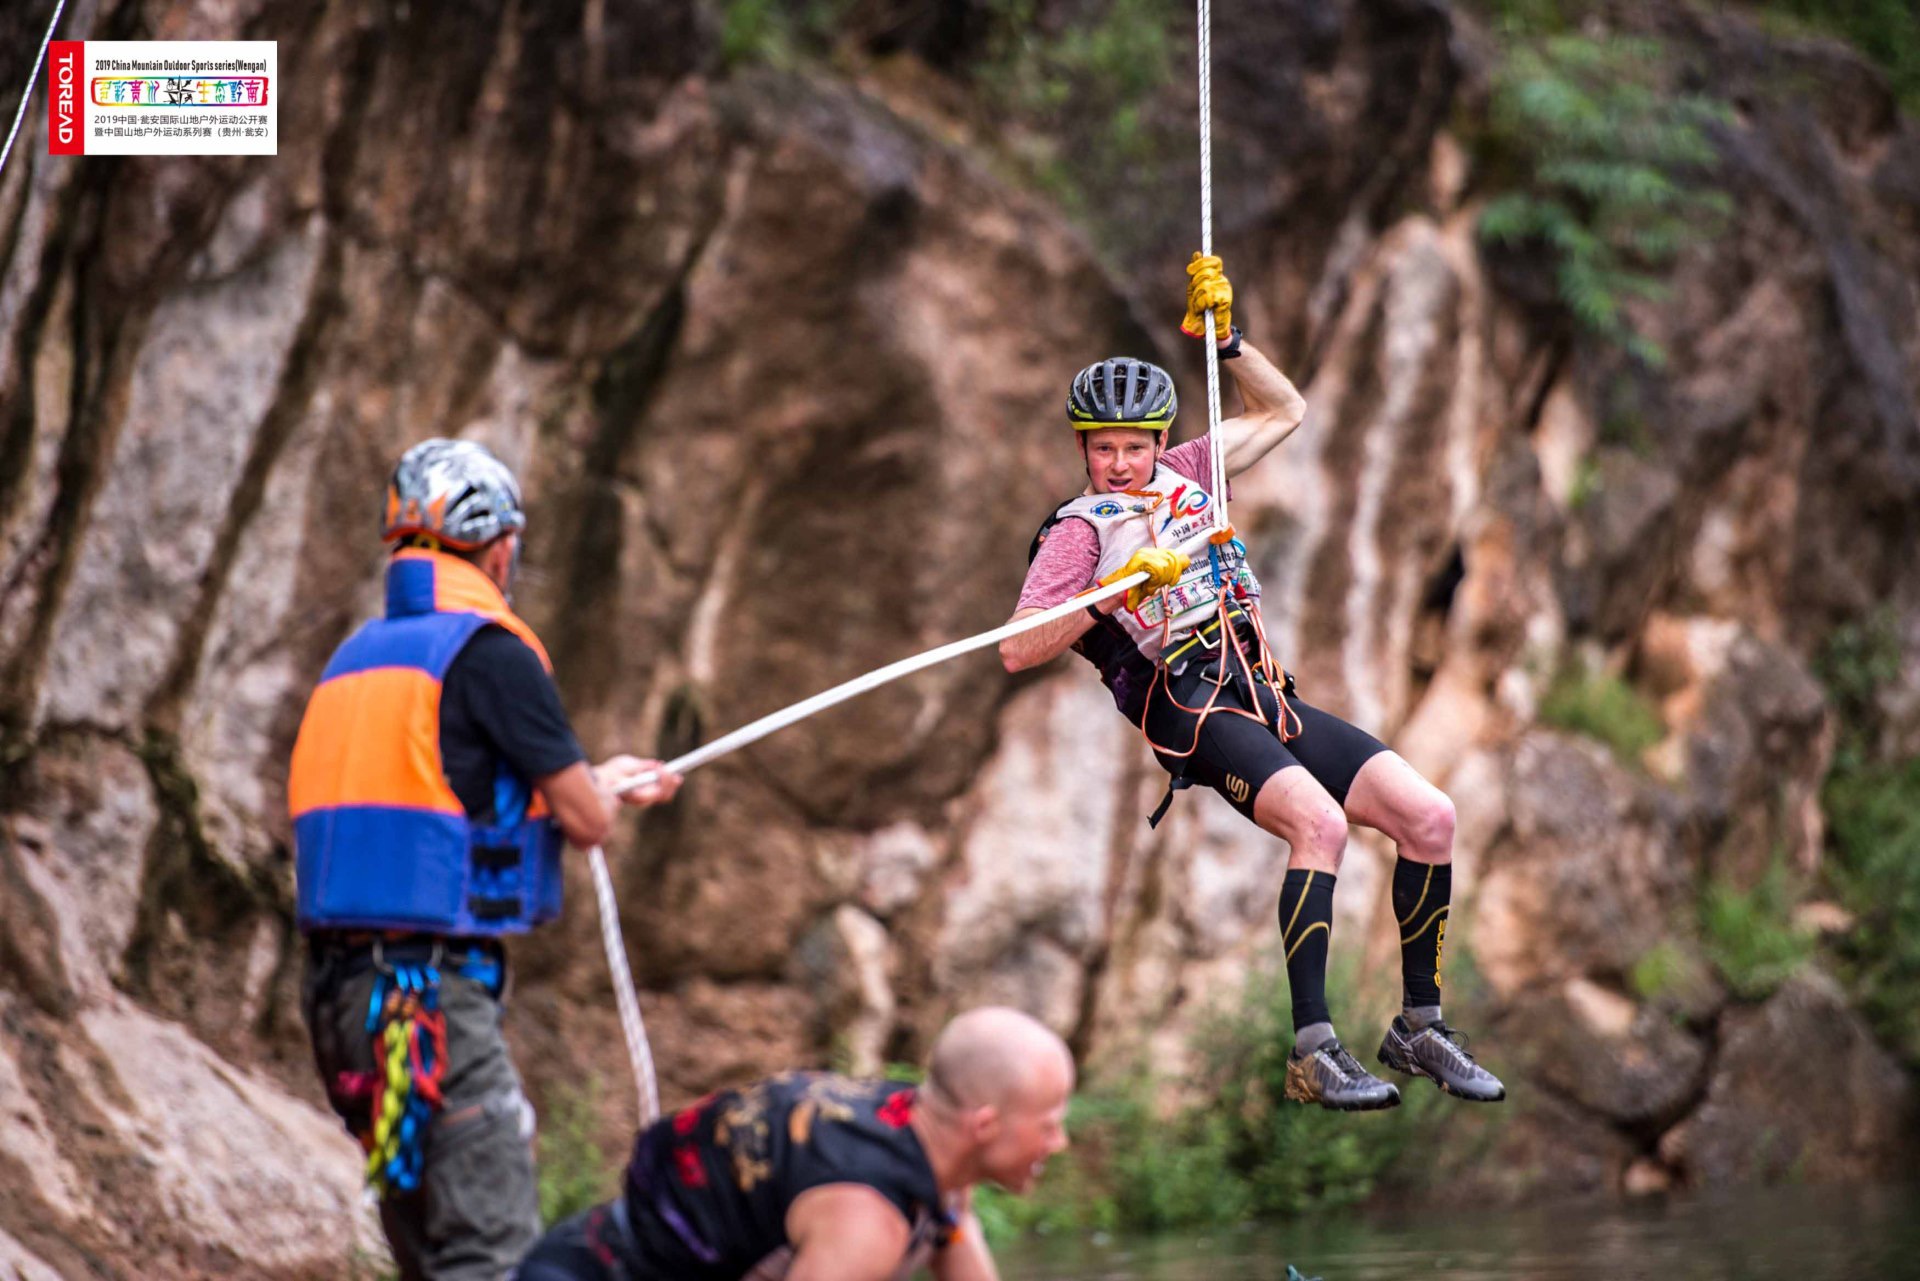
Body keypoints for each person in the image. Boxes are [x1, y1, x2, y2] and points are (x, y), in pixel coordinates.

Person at [1000, 255, 1504, 1112]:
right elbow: (1020, 648)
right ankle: (1312, 1048)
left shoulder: (1191, 472)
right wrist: (1125, 585)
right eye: (1103, 449)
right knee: (1321, 823)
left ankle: (1421, 1025)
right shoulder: (1077, 533)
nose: (1120, 464)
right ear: (1082, 448)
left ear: (1160, 441)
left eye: (1135, 446)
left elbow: (1285, 410)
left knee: (1430, 816)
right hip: (1189, 705)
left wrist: (1226, 340)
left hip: (1264, 689)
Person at [288, 438, 683, 1279]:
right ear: (500, 546)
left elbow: (444, 783)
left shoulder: (359, 659)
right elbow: (584, 820)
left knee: (432, 1252)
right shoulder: (492, 651)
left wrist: (596, 780)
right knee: (490, 1252)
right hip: (428, 1000)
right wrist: (597, 794)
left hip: (339, 1001)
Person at [512, 1006, 1073, 1281]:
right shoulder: (866, 1221)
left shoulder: (925, 1140)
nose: (1061, 1141)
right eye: (1048, 1124)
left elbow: (956, 1235)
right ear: (984, 1125)